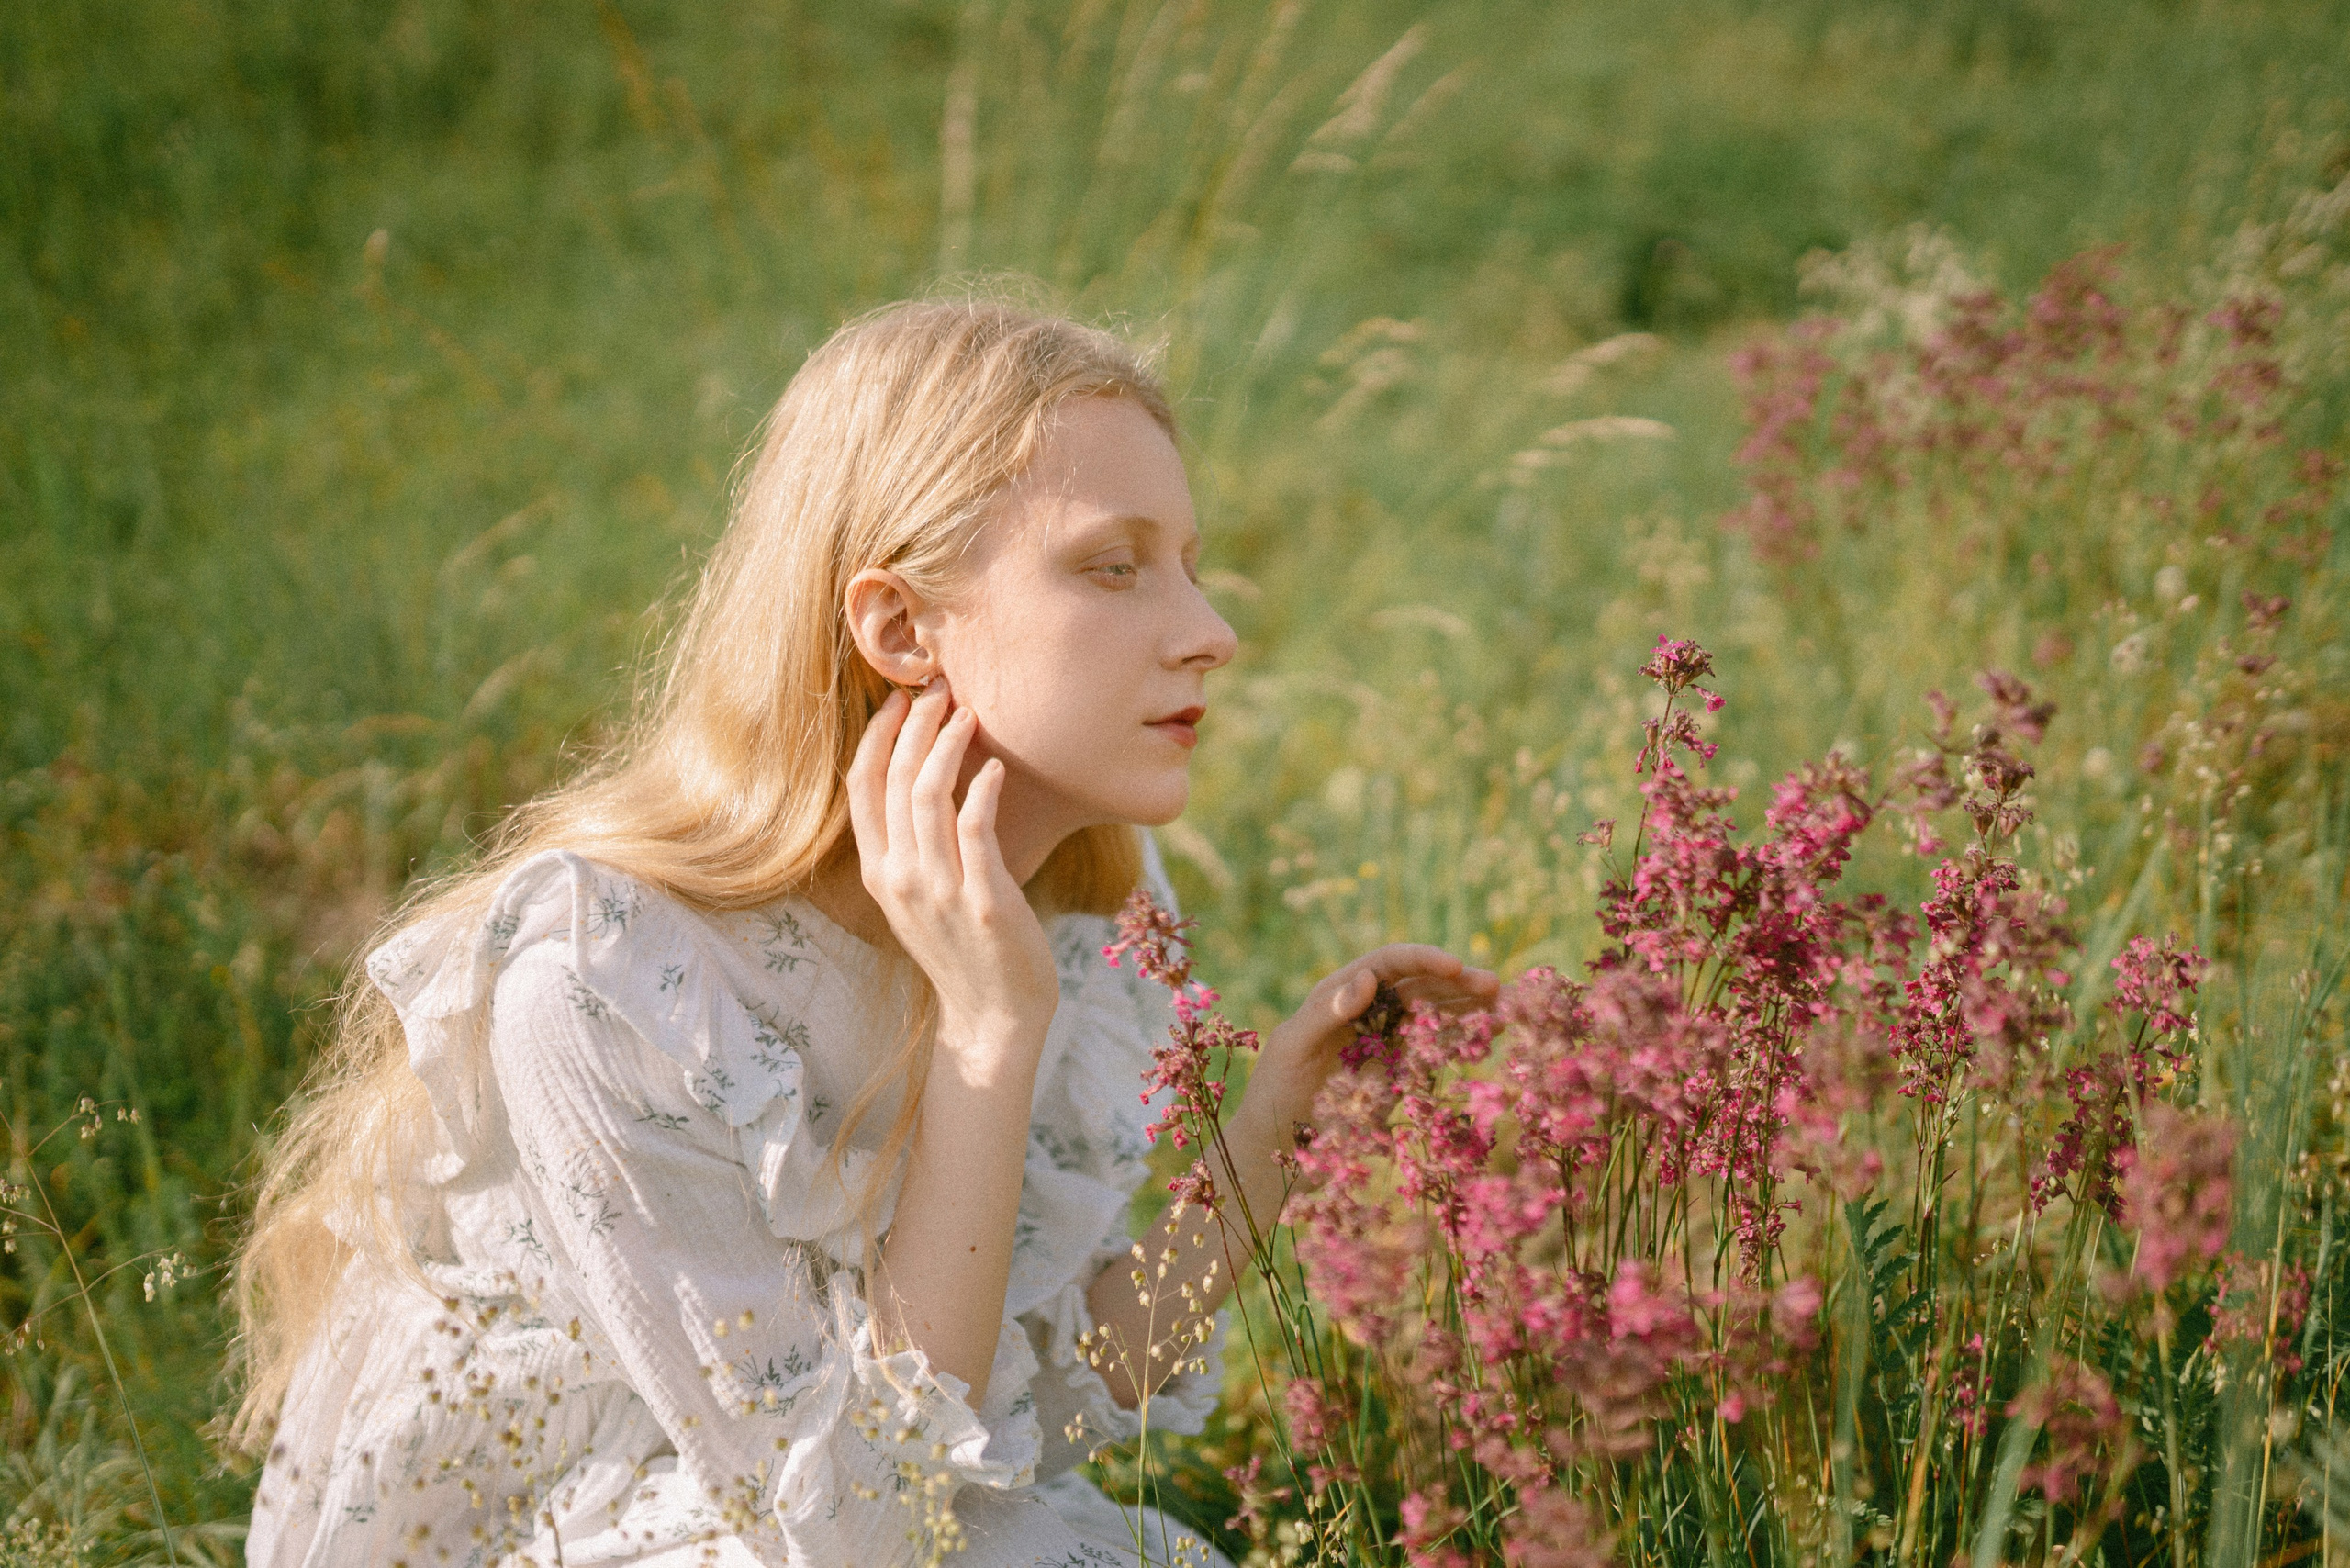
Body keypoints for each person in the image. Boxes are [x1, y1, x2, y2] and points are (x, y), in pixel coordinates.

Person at [233, 298, 1497, 1568]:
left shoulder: (1073, 905)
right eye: (1114, 566)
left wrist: (1269, 1135)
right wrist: (987, 1038)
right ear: (899, 628)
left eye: (1188, 563)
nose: (1210, 631)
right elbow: (863, 1528)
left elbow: (1017, 1417)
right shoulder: (608, 984)